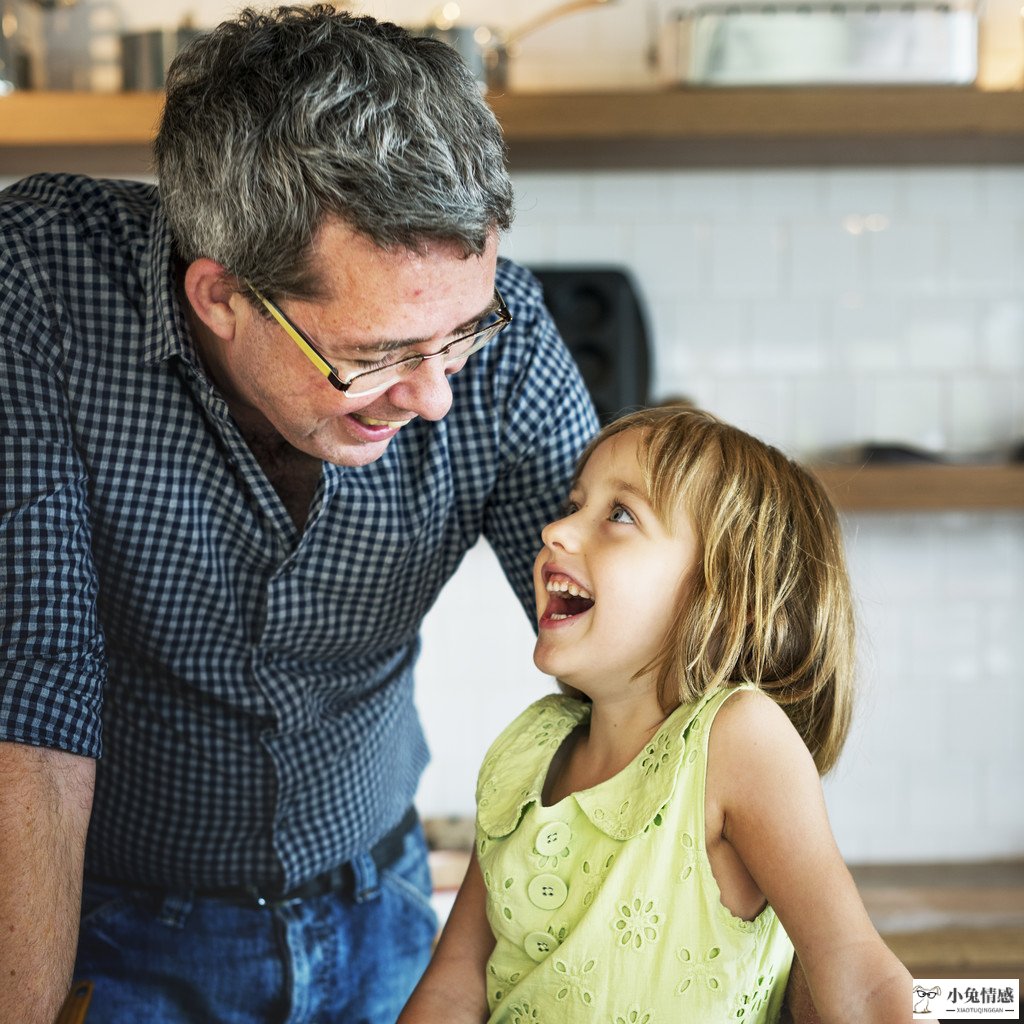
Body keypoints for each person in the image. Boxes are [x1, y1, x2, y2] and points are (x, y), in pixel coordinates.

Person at [0, 7, 601, 1023]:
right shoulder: (41, 287)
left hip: (388, 906)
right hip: (109, 925)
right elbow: (32, 690)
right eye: (375, 354)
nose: (433, 395)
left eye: (461, 331)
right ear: (220, 295)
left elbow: (642, 654)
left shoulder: (506, 339)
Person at [399, 404, 913, 1024]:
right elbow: (454, 989)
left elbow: (858, 980)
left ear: (722, 596)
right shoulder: (526, 753)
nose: (555, 531)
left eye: (619, 514)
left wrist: (981, 1004)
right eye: (574, 503)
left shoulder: (737, 740)